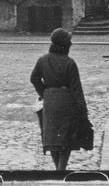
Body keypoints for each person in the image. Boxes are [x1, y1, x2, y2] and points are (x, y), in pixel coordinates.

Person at [29, 27, 89, 171]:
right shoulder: (70, 62)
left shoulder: (42, 59)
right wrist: (82, 109)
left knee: (52, 138)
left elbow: (34, 78)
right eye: (69, 41)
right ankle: (61, 170)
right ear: (64, 44)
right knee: (65, 139)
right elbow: (76, 89)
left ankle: (58, 170)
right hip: (66, 102)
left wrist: (45, 92)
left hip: (49, 102)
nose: (71, 43)